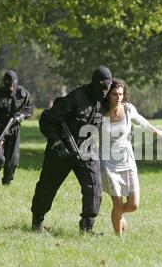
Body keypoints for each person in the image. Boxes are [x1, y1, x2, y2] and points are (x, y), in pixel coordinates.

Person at [30, 66, 112, 234]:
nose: (105, 92)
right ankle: (37, 222)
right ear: (95, 83)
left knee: (94, 187)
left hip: (86, 149)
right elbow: (46, 120)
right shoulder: (75, 98)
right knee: (47, 187)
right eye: (102, 87)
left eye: (108, 88)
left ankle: (87, 228)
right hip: (61, 150)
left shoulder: (106, 99)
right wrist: (57, 143)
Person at [100, 79, 162, 236]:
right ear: (108, 95)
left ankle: (119, 215)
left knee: (134, 204)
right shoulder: (101, 114)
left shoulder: (128, 109)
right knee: (117, 203)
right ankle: (119, 239)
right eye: (115, 94)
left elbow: (140, 119)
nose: (119, 98)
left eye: (121, 94)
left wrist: (155, 130)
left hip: (127, 161)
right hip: (109, 163)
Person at [0, 70, 34, 186]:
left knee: (12, 159)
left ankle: (7, 181)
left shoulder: (23, 94)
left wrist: (22, 115)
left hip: (14, 130)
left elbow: (30, 109)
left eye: (12, 85)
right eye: (8, 86)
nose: (11, 88)